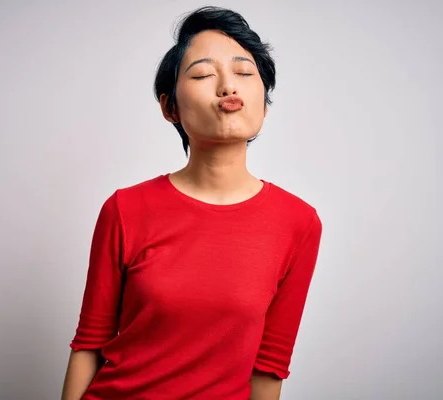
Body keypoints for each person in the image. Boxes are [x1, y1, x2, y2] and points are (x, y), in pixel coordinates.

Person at [61, 6, 322, 400]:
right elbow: (89, 344)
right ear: (170, 109)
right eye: (202, 74)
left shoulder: (299, 223)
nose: (228, 87)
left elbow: (269, 368)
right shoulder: (125, 209)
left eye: (245, 73)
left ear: (264, 105)